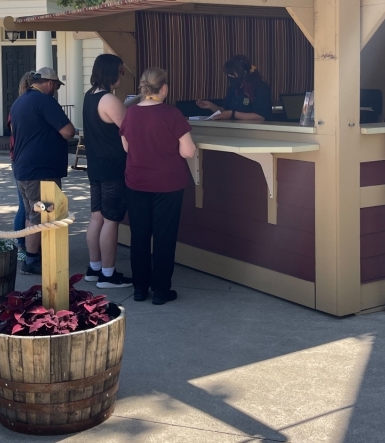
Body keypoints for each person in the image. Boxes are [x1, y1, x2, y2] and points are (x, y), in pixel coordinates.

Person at [119, 67, 196, 305]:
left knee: (139, 235)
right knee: (164, 237)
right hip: (168, 184)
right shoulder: (172, 114)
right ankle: (161, 291)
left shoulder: (130, 114)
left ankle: (140, 288)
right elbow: (188, 151)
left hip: (136, 182)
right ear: (164, 89)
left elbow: (126, 147)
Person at [10, 66, 76, 276]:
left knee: (32, 214)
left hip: (23, 167)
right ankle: (33, 260)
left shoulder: (19, 101)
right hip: (41, 170)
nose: (56, 89)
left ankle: (32, 257)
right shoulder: (45, 101)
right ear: (49, 83)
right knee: (44, 215)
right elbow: (68, 131)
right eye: (56, 85)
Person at [82, 53, 131, 288]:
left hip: (95, 164)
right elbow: (129, 129)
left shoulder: (89, 96)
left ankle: (94, 268)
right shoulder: (109, 100)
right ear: (111, 71)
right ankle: (108, 275)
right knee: (112, 220)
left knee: (96, 217)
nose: (122, 75)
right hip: (113, 166)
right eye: (121, 71)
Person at [196, 54, 272, 123]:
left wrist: (233, 114)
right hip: (234, 129)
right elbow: (225, 111)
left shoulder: (260, 87)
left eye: (232, 74)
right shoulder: (234, 87)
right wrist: (211, 106)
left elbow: (260, 116)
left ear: (243, 72)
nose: (230, 76)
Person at [8, 71, 35, 263]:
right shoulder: (27, 107)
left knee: (25, 205)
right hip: (22, 159)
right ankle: (20, 243)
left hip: (17, 159)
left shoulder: (17, 106)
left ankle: (24, 243)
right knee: (24, 206)